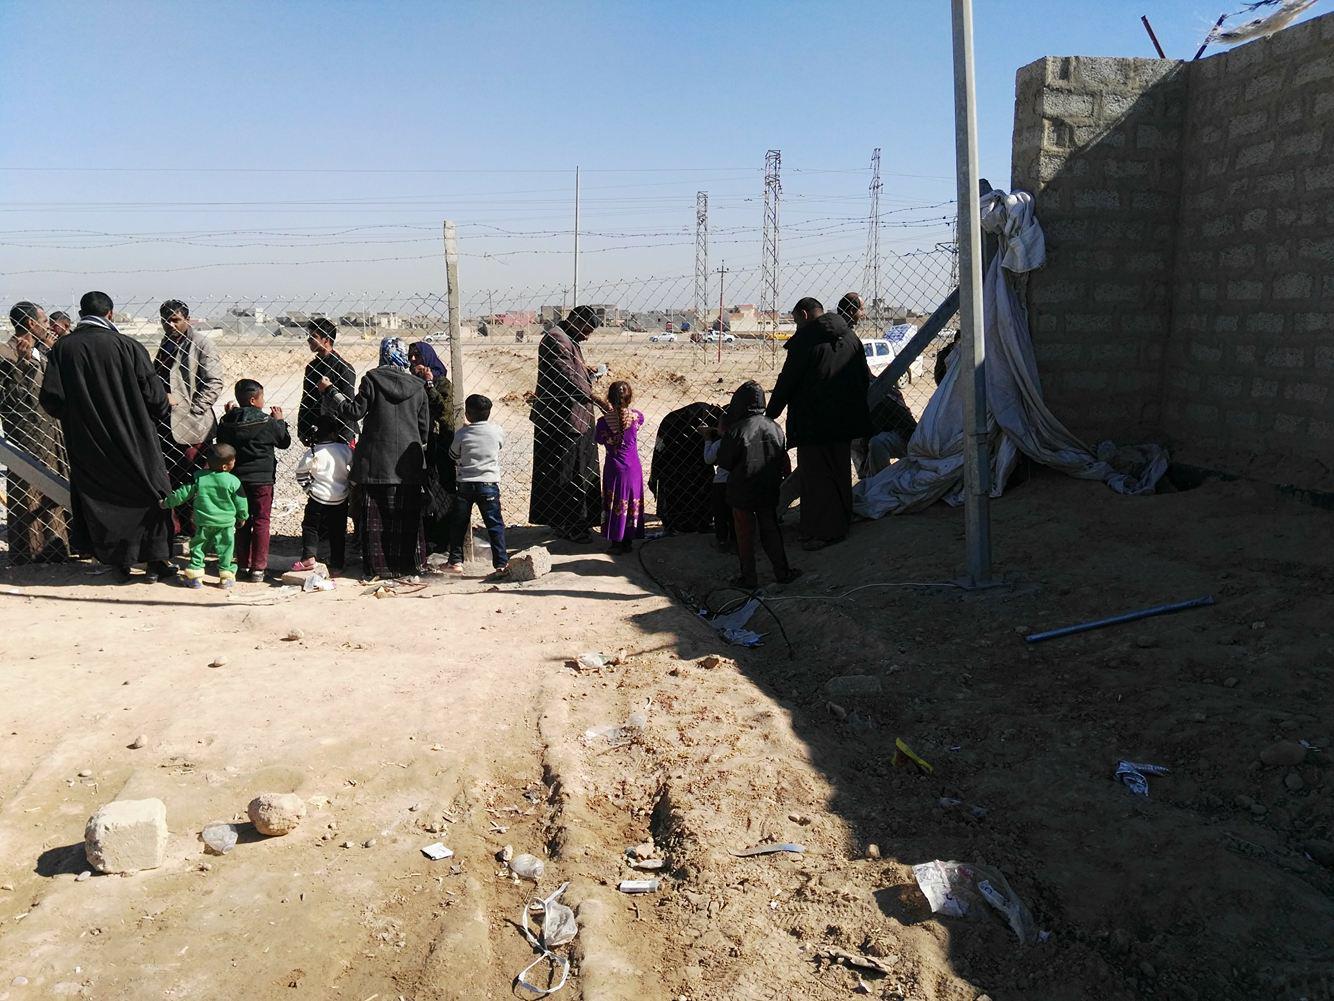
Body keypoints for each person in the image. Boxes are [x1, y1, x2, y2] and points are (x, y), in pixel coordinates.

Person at [39, 291, 177, 582]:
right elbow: (155, 397)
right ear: (110, 314)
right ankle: (156, 561)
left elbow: (52, 399)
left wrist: (79, 416)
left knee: (102, 499)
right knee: (150, 492)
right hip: (135, 439)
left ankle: (119, 563)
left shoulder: (63, 349)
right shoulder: (128, 346)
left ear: (80, 314)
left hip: (88, 442)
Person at [318, 336, 430, 578]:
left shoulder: (371, 379)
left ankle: (379, 568)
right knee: (406, 517)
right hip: (407, 467)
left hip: (376, 463)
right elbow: (423, 430)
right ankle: (406, 566)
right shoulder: (418, 387)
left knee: (376, 519)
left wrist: (331, 392)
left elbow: (354, 411)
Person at [766, 296, 870, 551]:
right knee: (839, 474)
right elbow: (863, 378)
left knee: (816, 479)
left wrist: (770, 414)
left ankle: (822, 532)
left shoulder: (806, 341)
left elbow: (787, 381)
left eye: (795, 320)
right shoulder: (850, 339)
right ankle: (840, 524)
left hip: (814, 422)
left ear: (803, 314)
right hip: (845, 420)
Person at [528, 304, 606, 541]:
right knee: (567, 473)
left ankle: (573, 521)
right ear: (574, 321)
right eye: (586, 329)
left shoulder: (569, 339)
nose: (587, 335)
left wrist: (588, 371)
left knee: (578, 470)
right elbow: (567, 377)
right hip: (561, 421)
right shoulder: (556, 339)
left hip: (575, 420)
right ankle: (570, 523)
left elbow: (574, 371)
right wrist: (596, 397)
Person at [2, 302, 70, 563]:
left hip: (52, 429)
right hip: (26, 433)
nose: (48, 326)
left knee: (56, 486)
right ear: (31, 324)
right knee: (28, 488)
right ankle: (29, 550)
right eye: (43, 320)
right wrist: (22, 364)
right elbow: (10, 395)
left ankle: (56, 548)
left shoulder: (45, 350)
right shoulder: (6, 352)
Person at [717, 381, 799, 588]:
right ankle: (783, 572)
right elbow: (782, 457)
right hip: (768, 489)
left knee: (744, 534)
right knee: (770, 529)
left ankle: (749, 577)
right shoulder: (774, 427)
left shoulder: (736, 430)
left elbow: (725, 462)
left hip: (741, 492)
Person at [154, 299, 224, 541]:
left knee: (195, 480)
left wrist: (192, 409)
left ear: (187, 319)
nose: (170, 325)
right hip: (166, 424)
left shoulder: (201, 343)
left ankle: (199, 532)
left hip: (194, 426)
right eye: (166, 320)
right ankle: (178, 530)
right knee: (172, 478)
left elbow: (214, 382)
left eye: (175, 320)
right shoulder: (166, 344)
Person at [216, 379, 291, 582]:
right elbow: (284, 442)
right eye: (261, 397)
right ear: (253, 400)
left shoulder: (228, 421)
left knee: (242, 520)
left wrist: (228, 415)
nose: (263, 401)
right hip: (262, 479)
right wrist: (280, 421)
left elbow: (221, 440)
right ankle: (258, 568)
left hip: (237, 479)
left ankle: (242, 564)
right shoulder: (267, 422)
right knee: (261, 520)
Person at [159, 442, 248, 589]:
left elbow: (182, 493)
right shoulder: (233, 481)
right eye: (233, 461)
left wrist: (166, 503)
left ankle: (195, 576)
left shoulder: (199, 478)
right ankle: (226, 576)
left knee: (198, 547)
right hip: (225, 523)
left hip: (203, 522)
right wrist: (242, 516)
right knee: (226, 549)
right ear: (226, 466)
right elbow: (241, 501)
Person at [445, 394, 508, 575]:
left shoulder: (462, 434)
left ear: (468, 414)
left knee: (459, 524)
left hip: (465, 484)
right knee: (494, 524)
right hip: (489, 483)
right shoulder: (497, 430)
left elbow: (453, 455)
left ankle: (456, 562)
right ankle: (501, 564)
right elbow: (499, 446)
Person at [647, 401, 723, 534]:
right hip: (679, 461)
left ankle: (681, 522)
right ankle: (698, 521)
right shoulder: (707, 420)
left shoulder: (692, 419)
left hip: (675, 463)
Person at [408, 340, 456, 550]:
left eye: (417, 356)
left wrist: (429, 384)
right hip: (418, 445)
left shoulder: (442, 383)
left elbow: (444, 414)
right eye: (410, 356)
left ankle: (444, 539)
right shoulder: (410, 383)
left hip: (440, 444)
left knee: (442, 489)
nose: (412, 360)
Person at [594, 380, 646, 554]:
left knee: (615, 501)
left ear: (609, 397)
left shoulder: (602, 423)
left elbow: (600, 439)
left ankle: (616, 542)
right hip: (633, 468)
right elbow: (626, 421)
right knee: (631, 502)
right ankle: (628, 541)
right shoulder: (637, 416)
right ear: (630, 397)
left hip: (614, 468)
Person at [293, 431, 353, 574]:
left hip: (318, 497)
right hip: (340, 497)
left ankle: (309, 557)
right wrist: (350, 486)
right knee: (338, 531)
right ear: (334, 433)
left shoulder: (313, 451)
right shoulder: (345, 450)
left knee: (310, 527)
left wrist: (308, 489)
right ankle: (337, 565)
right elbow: (355, 469)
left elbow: (301, 473)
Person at [297, 318, 357, 447]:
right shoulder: (312, 367)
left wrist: (345, 441)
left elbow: (348, 407)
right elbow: (306, 401)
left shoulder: (343, 368)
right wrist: (302, 430)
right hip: (319, 432)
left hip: (340, 434)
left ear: (326, 339)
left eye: (314, 336)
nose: (309, 340)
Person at [701, 419, 735, 553]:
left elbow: (708, 459)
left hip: (720, 483)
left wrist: (707, 439)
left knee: (720, 514)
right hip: (736, 481)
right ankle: (735, 540)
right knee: (733, 513)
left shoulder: (719, 443)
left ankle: (722, 540)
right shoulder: (739, 441)